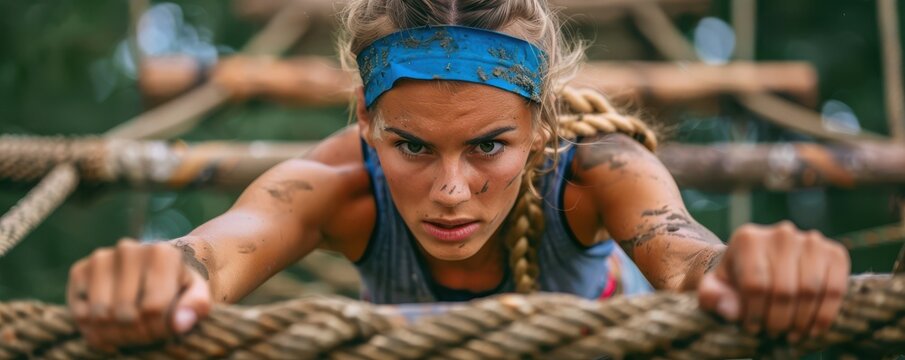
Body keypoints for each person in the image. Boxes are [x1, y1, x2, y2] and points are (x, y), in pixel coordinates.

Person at [66, 0, 850, 352]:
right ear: (366, 125)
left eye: (486, 147)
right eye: (411, 147)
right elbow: (221, 247)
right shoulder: (335, 183)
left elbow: (690, 259)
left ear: (539, 127)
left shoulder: (598, 171)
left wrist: (752, 269)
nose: (449, 191)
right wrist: (161, 272)